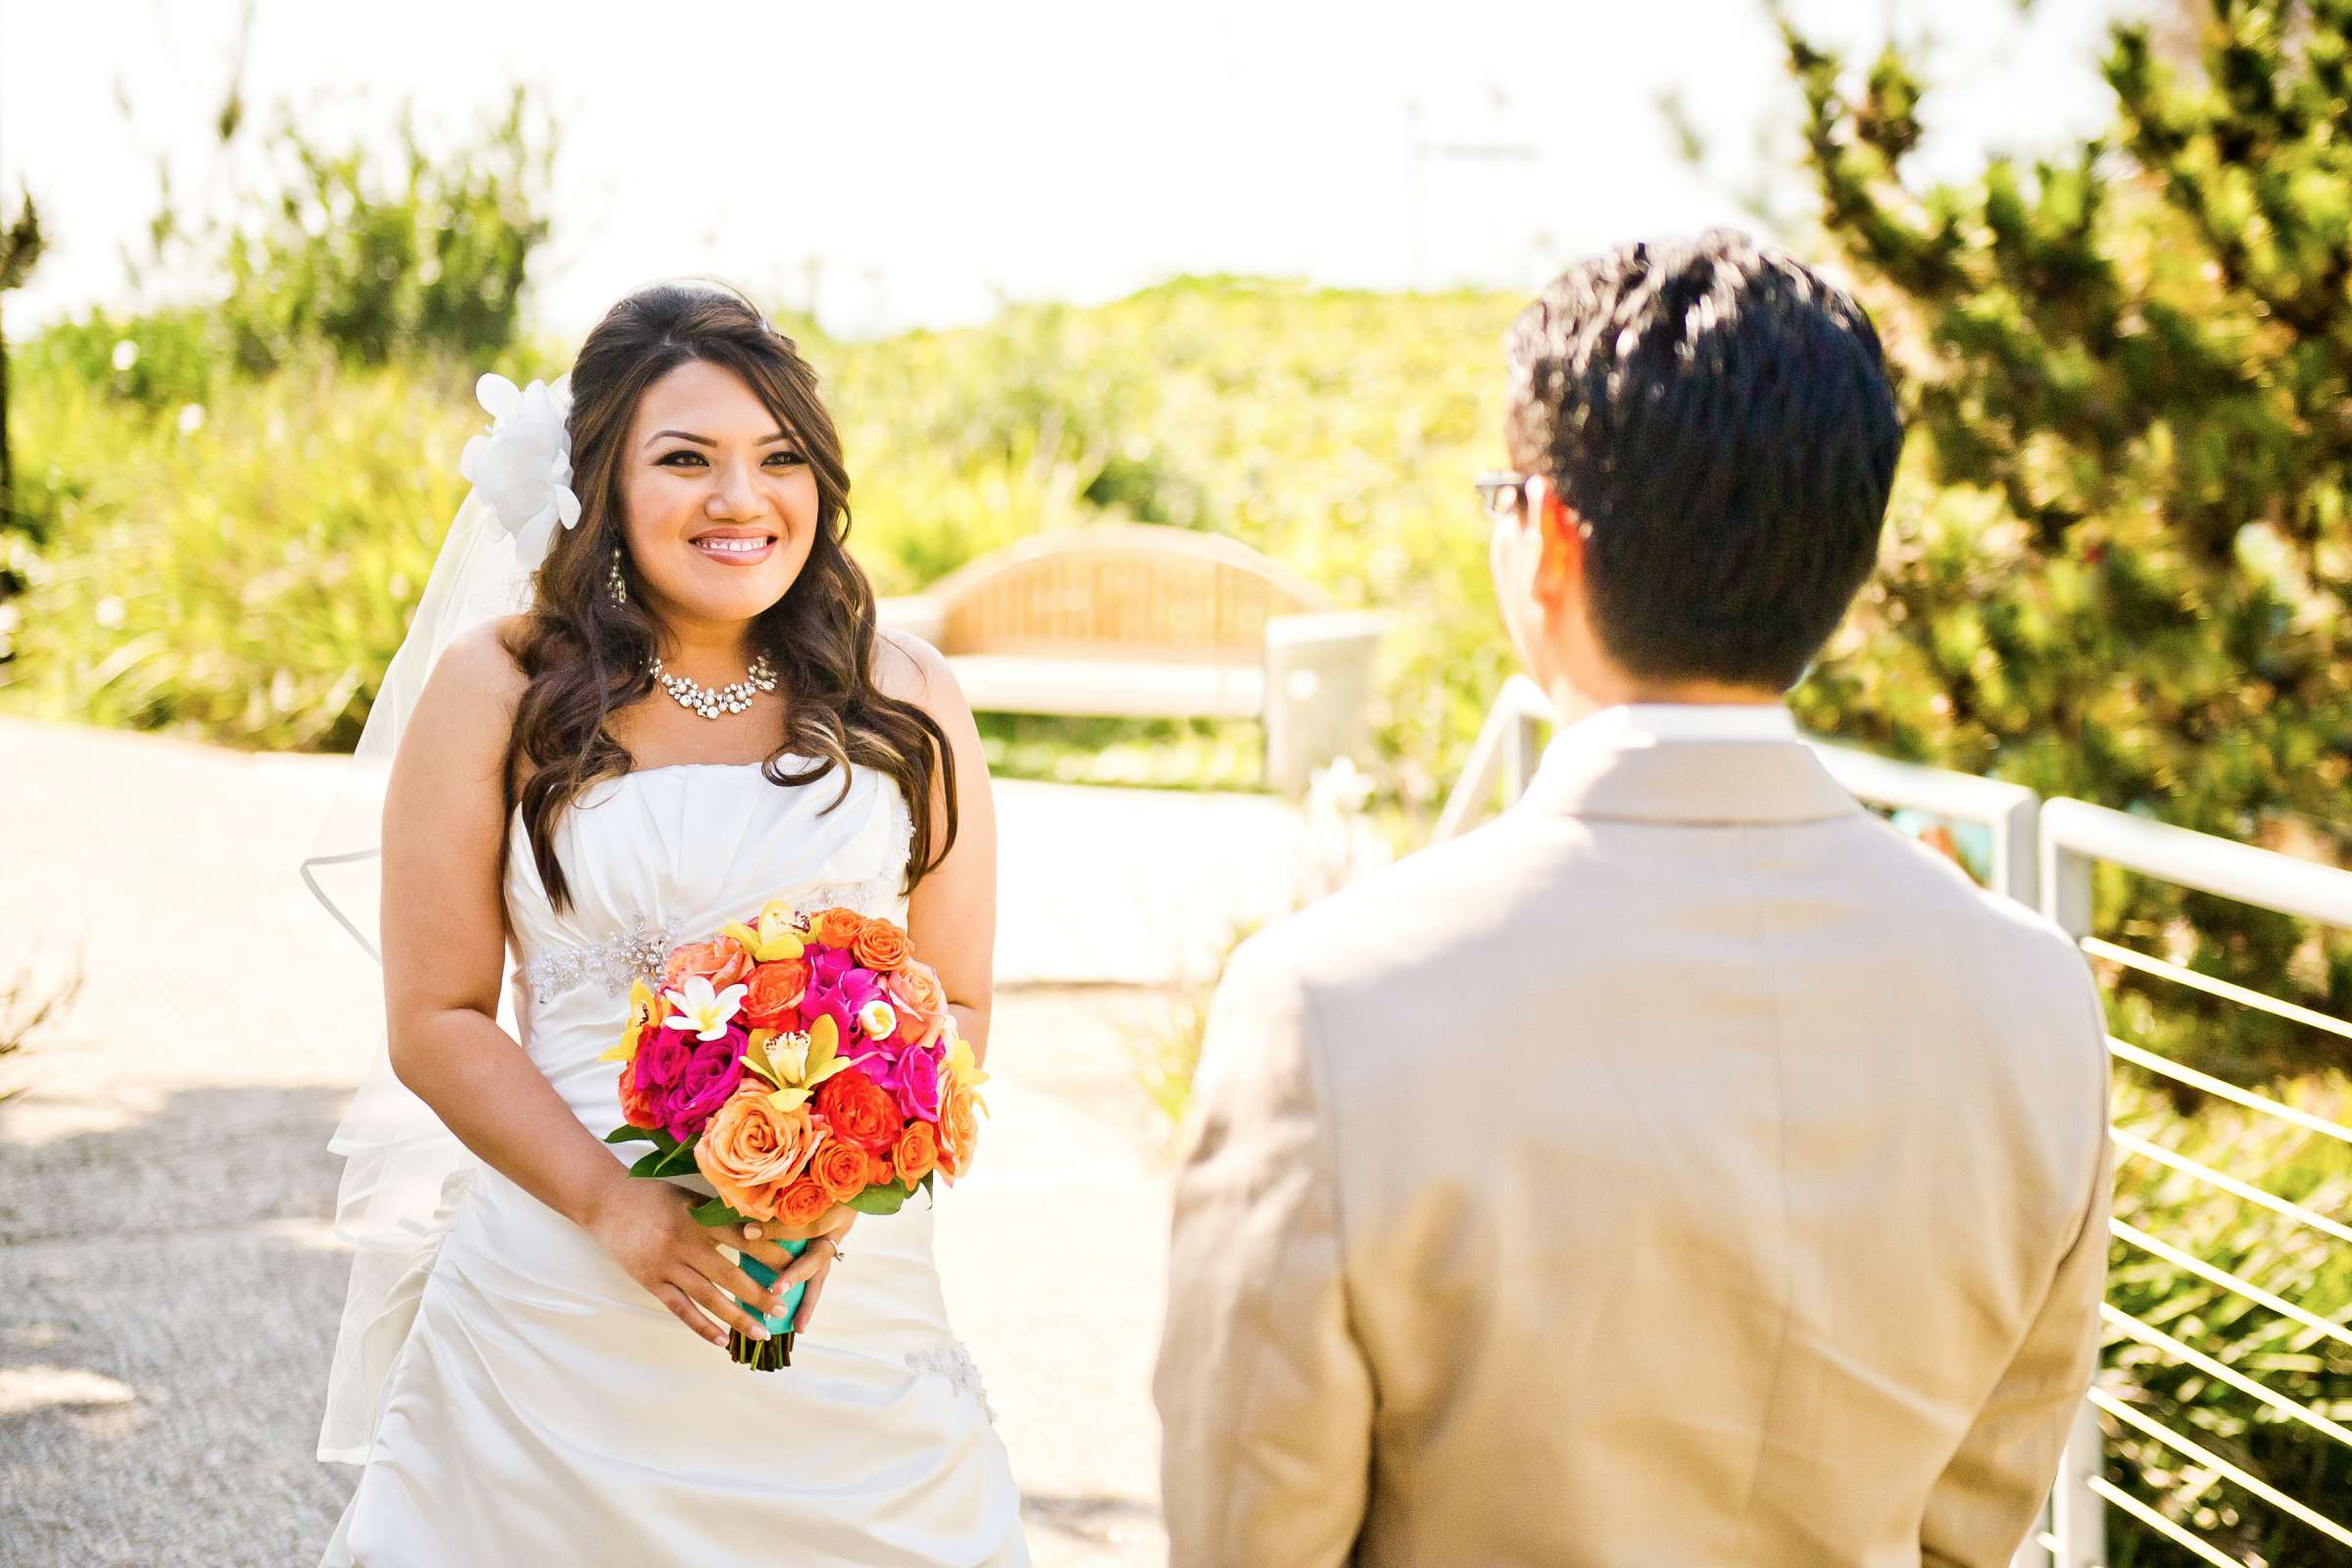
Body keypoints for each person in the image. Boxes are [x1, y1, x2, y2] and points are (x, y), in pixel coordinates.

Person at [1154, 230, 2112, 1567]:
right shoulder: (2034, 997)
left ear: (1545, 532)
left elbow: (1254, 1529)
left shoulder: (1325, 1004)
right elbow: (1976, 1516)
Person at [310, 282, 1028, 1565]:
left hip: (840, 1295)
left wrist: (838, 1182)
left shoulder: (906, 696)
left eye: (779, 459)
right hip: (558, 1299)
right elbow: (434, 1017)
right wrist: (614, 1206)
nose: (740, 500)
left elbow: (958, 999)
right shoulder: (500, 690)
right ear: (598, 483)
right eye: (685, 459)